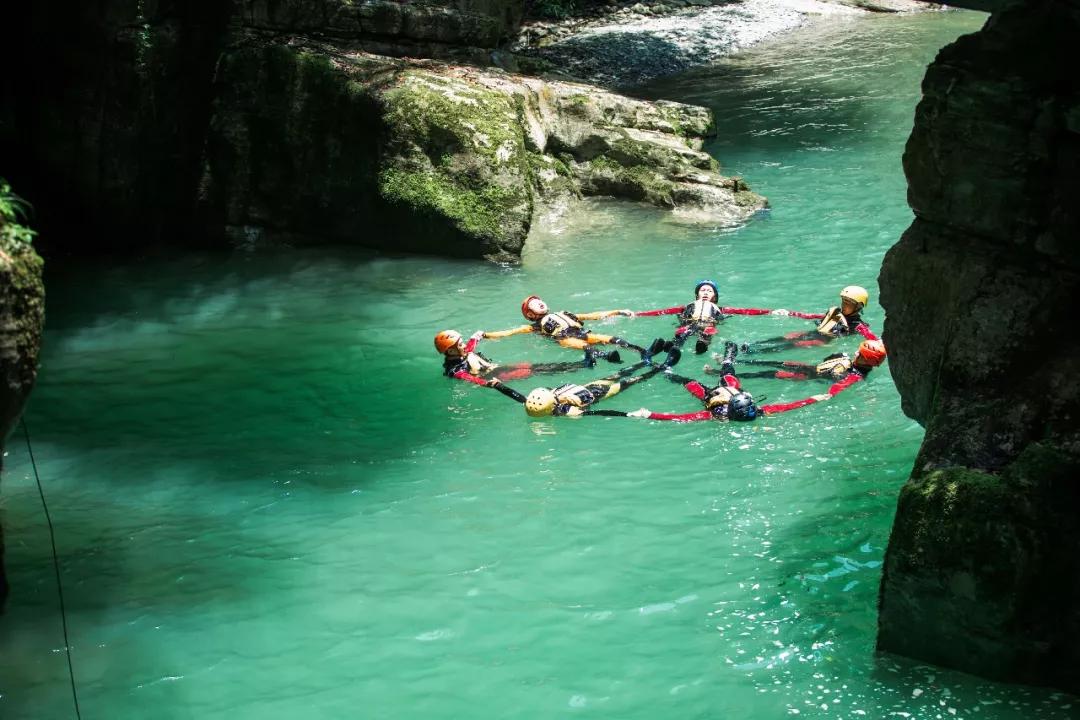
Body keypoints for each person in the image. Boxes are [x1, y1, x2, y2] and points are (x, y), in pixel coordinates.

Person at [435, 329, 613, 403]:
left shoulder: (461, 351)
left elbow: (469, 348)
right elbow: (468, 377)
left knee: (536, 367)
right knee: (531, 371)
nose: (463, 344)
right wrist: (487, 384)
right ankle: (583, 365)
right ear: (450, 352)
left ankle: (582, 364)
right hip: (494, 376)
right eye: (459, 343)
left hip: (499, 369)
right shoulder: (455, 370)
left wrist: (476, 337)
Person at [633, 280, 786, 354]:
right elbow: (662, 312)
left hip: (708, 324)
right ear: (697, 294)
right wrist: (636, 314)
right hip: (689, 323)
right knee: (683, 333)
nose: (705, 292)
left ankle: (702, 345)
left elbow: (746, 311)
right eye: (702, 290)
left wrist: (771, 312)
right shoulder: (685, 307)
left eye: (709, 291)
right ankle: (672, 346)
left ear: (715, 297)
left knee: (707, 333)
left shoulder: (720, 309)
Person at [524, 347, 681, 417]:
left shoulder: (547, 397)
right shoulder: (568, 412)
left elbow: (516, 396)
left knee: (619, 373)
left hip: (590, 386)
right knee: (632, 380)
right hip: (602, 393)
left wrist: (497, 384)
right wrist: (628, 414)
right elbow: (599, 413)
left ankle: (645, 362)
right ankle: (661, 367)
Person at [739, 285, 879, 354]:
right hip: (815, 332)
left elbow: (870, 336)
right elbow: (812, 316)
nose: (844, 305)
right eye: (843, 301)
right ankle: (749, 346)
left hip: (824, 341)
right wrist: (790, 313)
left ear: (859, 307)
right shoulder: (836, 313)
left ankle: (755, 352)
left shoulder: (858, 325)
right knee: (789, 336)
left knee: (797, 344)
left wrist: (879, 343)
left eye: (848, 303)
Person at [482, 295, 642, 353]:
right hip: (573, 337)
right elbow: (509, 332)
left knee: (608, 341)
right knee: (596, 344)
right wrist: (485, 335)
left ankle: (638, 351)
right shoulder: (540, 324)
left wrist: (619, 311)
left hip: (575, 336)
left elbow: (594, 315)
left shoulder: (559, 316)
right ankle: (618, 355)